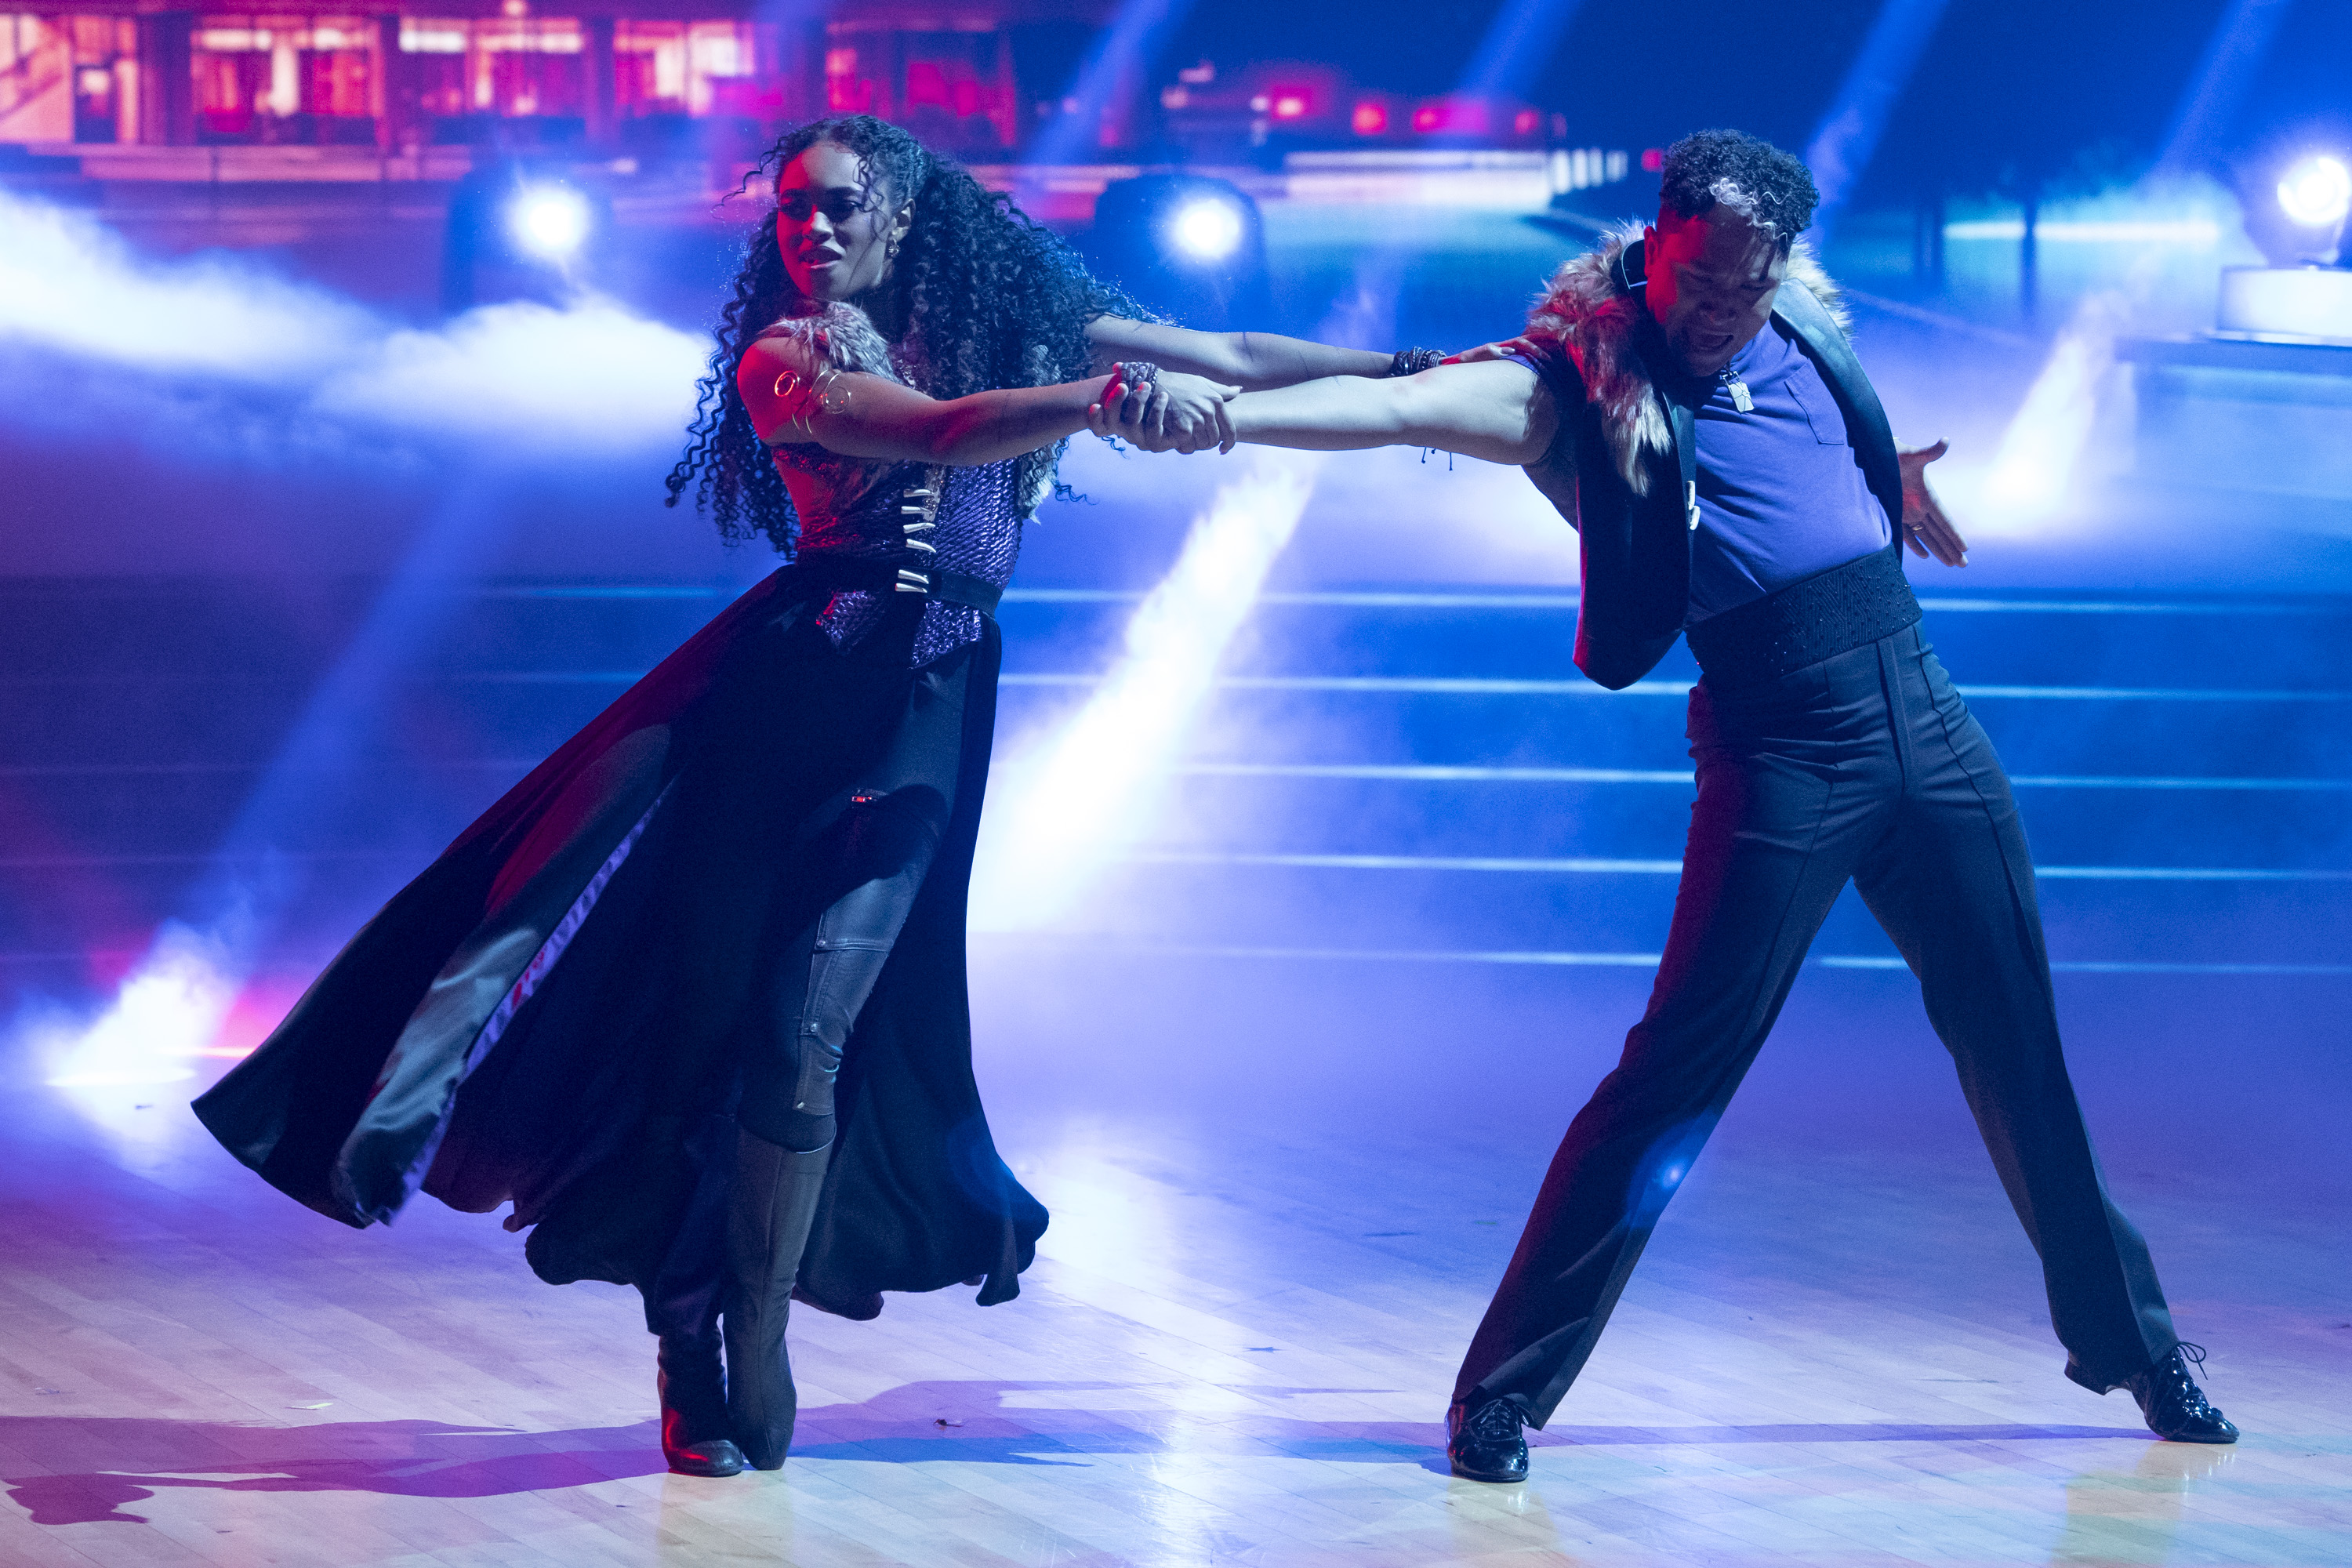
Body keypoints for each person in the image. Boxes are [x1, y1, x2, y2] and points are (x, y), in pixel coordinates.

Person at [194, 113, 1418, 1479]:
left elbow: (1241, 359)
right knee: (698, 1038)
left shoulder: (1027, 320)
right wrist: (1095, 406)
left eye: (839, 207)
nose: (812, 231)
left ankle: (759, 1329)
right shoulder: (791, 356)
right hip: (787, 704)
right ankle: (685, 1339)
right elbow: (943, 436)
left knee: (810, 1032)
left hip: (926, 702)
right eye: (791, 210)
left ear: (904, 216)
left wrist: (1433, 372)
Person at [1098, 128, 2237, 1483]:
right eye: (1697, 282)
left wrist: (1889, 484)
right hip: (1783, 750)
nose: (1718, 313)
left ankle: (2139, 1346)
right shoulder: (1565, 384)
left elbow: (1825, 446)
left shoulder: (1801, 319)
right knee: (1672, 1083)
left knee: (2022, 1054)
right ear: (1655, 243)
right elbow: (1379, 402)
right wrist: (1212, 415)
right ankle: (1501, 1394)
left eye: (1745, 288)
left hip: (1928, 718)